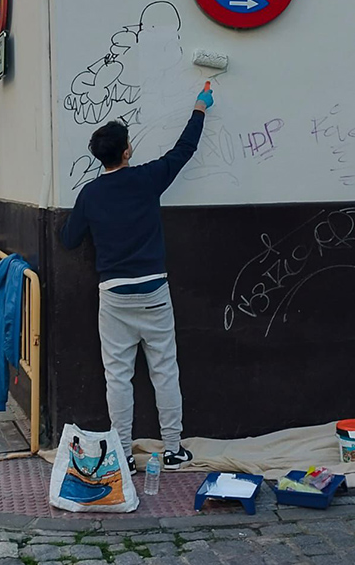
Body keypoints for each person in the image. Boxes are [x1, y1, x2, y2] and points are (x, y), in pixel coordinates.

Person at [60, 85, 214, 474]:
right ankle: (174, 448)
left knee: (118, 375)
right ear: (127, 151)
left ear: (100, 157)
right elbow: (183, 151)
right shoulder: (148, 179)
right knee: (165, 368)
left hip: (113, 295)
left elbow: (68, 239)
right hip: (154, 290)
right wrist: (199, 108)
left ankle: (124, 452)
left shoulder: (90, 194)